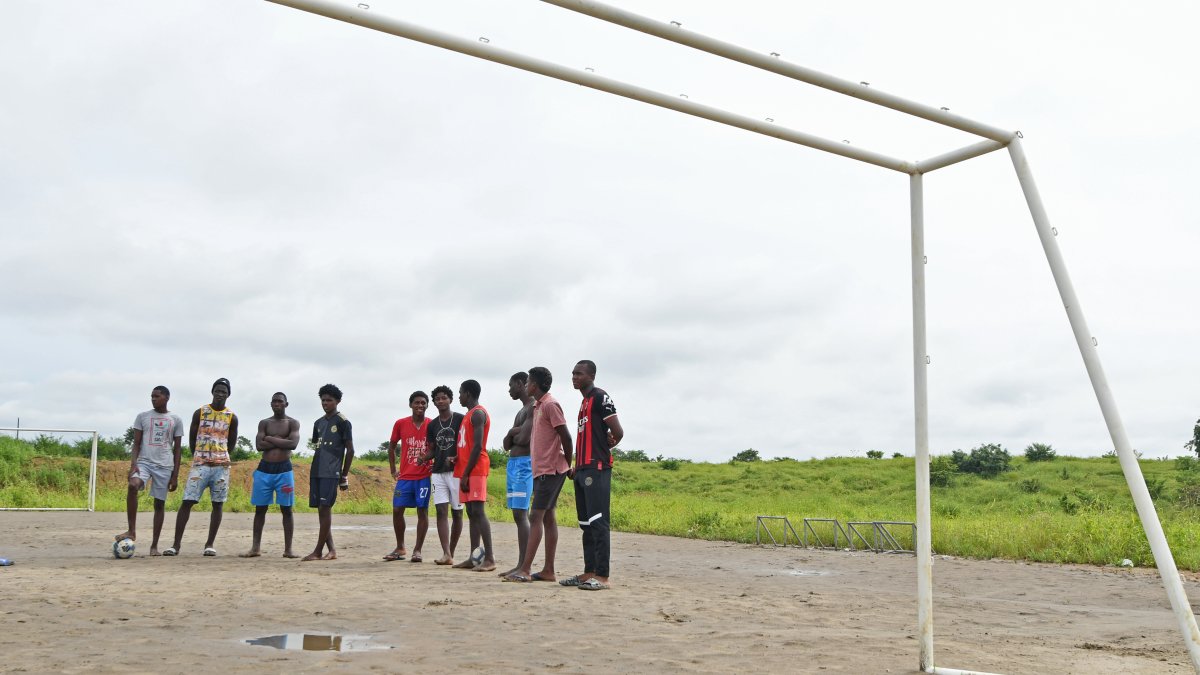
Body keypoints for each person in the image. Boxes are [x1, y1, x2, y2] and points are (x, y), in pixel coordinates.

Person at [561, 360, 623, 590]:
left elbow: (617, 431)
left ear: (591, 375)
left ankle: (603, 576)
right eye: (573, 373)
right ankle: (589, 572)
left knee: (598, 523)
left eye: (579, 373)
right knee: (586, 524)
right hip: (582, 468)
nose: (574, 377)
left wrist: (609, 442)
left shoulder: (599, 396)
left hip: (597, 468)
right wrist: (577, 464)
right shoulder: (583, 402)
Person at [506, 366, 572, 583]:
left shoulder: (551, 404)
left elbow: (566, 436)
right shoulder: (537, 406)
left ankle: (525, 569)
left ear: (534, 384)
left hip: (551, 469)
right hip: (541, 469)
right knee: (549, 517)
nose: (525, 386)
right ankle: (548, 570)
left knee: (535, 516)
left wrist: (568, 463)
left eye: (528, 383)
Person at [164, 378, 238, 557]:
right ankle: (176, 545)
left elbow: (232, 443)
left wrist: (220, 456)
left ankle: (209, 544)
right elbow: (192, 437)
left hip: (221, 466)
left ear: (228, 395)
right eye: (217, 391)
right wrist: (199, 455)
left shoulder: (232, 417)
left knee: (217, 504)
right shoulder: (200, 412)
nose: (220, 394)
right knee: (187, 502)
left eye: (224, 392)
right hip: (200, 464)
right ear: (212, 392)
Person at [115, 385, 184, 556]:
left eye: (157, 396)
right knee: (133, 486)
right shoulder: (142, 417)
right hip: (144, 462)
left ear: (167, 398)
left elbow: (177, 449)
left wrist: (175, 475)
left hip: (165, 466)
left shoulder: (175, 419)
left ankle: (154, 546)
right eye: (152, 396)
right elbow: (136, 443)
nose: (153, 399)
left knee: (159, 504)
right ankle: (132, 531)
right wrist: (133, 464)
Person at [240, 392, 300, 558]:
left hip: (284, 471)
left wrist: (271, 439)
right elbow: (259, 446)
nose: (276, 404)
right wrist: (281, 440)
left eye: (280, 401)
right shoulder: (264, 423)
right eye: (274, 401)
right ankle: (255, 548)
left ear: (286, 404)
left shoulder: (293, 423)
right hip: (264, 470)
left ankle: (288, 550)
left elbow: (293, 444)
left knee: (286, 510)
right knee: (260, 509)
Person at [304, 383, 355, 561]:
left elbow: (351, 450)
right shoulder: (318, 423)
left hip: (331, 472)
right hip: (316, 470)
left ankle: (318, 551)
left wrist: (343, 474)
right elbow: (317, 447)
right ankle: (331, 550)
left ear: (337, 401)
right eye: (323, 400)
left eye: (329, 400)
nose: (325, 403)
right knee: (321, 510)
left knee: (325, 508)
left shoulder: (343, 422)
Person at [384, 390, 432, 562]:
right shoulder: (400, 423)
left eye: (423, 403)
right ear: (410, 405)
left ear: (427, 405)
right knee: (397, 509)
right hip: (404, 477)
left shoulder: (431, 424)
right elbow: (391, 446)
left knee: (422, 511)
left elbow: (435, 448)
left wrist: (431, 462)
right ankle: (400, 547)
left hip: (423, 476)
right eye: (417, 402)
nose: (420, 405)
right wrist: (392, 469)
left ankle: (417, 550)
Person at [453, 379, 494, 572]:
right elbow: (468, 444)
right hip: (466, 469)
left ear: (468, 393)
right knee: (471, 512)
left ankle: (490, 559)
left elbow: (478, 446)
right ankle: (473, 557)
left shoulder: (478, 413)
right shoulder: (468, 415)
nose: (459, 396)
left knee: (478, 511)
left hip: (475, 470)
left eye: (460, 392)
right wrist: (457, 459)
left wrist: (466, 473)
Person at [498, 372, 534, 578]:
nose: (509, 389)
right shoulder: (521, 410)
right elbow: (506, 445)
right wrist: (512, 433)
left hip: (525, 465)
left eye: (511, 385)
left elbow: (523, 439)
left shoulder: (533, 407)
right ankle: (520, 564)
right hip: (514, 464)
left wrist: (513, 434)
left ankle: (524, 565)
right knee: (517, 514)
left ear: (521, 384)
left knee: (522, 514)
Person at [424, 384, 464, 565]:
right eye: (437, 399)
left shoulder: (460, 420)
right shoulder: (432, 425)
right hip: (438, 472)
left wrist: (459, 458)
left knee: (457, 513)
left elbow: (466, 445)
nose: (440, 401)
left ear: (450, 399)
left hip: (456, 472)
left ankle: (452, 552)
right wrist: (424, 457)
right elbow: (433, 450)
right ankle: (446, 553)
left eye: (444, 398)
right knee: (441, 511)